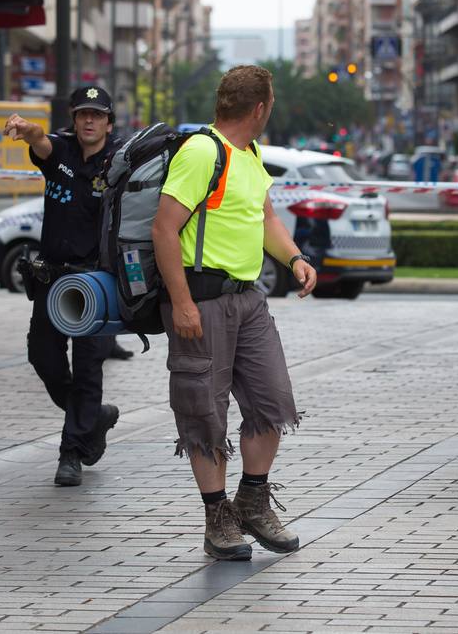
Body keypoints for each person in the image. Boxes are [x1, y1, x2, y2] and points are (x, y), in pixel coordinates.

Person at [151, 65, 317, 561]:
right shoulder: (202, 152)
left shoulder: (251, 153)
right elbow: (164, 229)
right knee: (204, 413)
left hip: (249, 299)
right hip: (200, 300)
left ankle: (253, 499)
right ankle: (217, 518)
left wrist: (295, 258)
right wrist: (181, 303)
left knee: (273, 401)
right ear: (261, 108)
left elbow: (263, 216)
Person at [2, 85, 123, 487]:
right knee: (43, 358)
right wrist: (25, 128)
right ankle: (94, 418)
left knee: (88, 369)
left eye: (97, 114)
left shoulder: (119, 161)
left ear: (109, 121)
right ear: (73, 118)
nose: (89, 120)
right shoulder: (61, 151)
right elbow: (40, 140)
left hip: (95, 283)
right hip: (52, 279)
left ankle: (71, 453)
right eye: (82, 113)